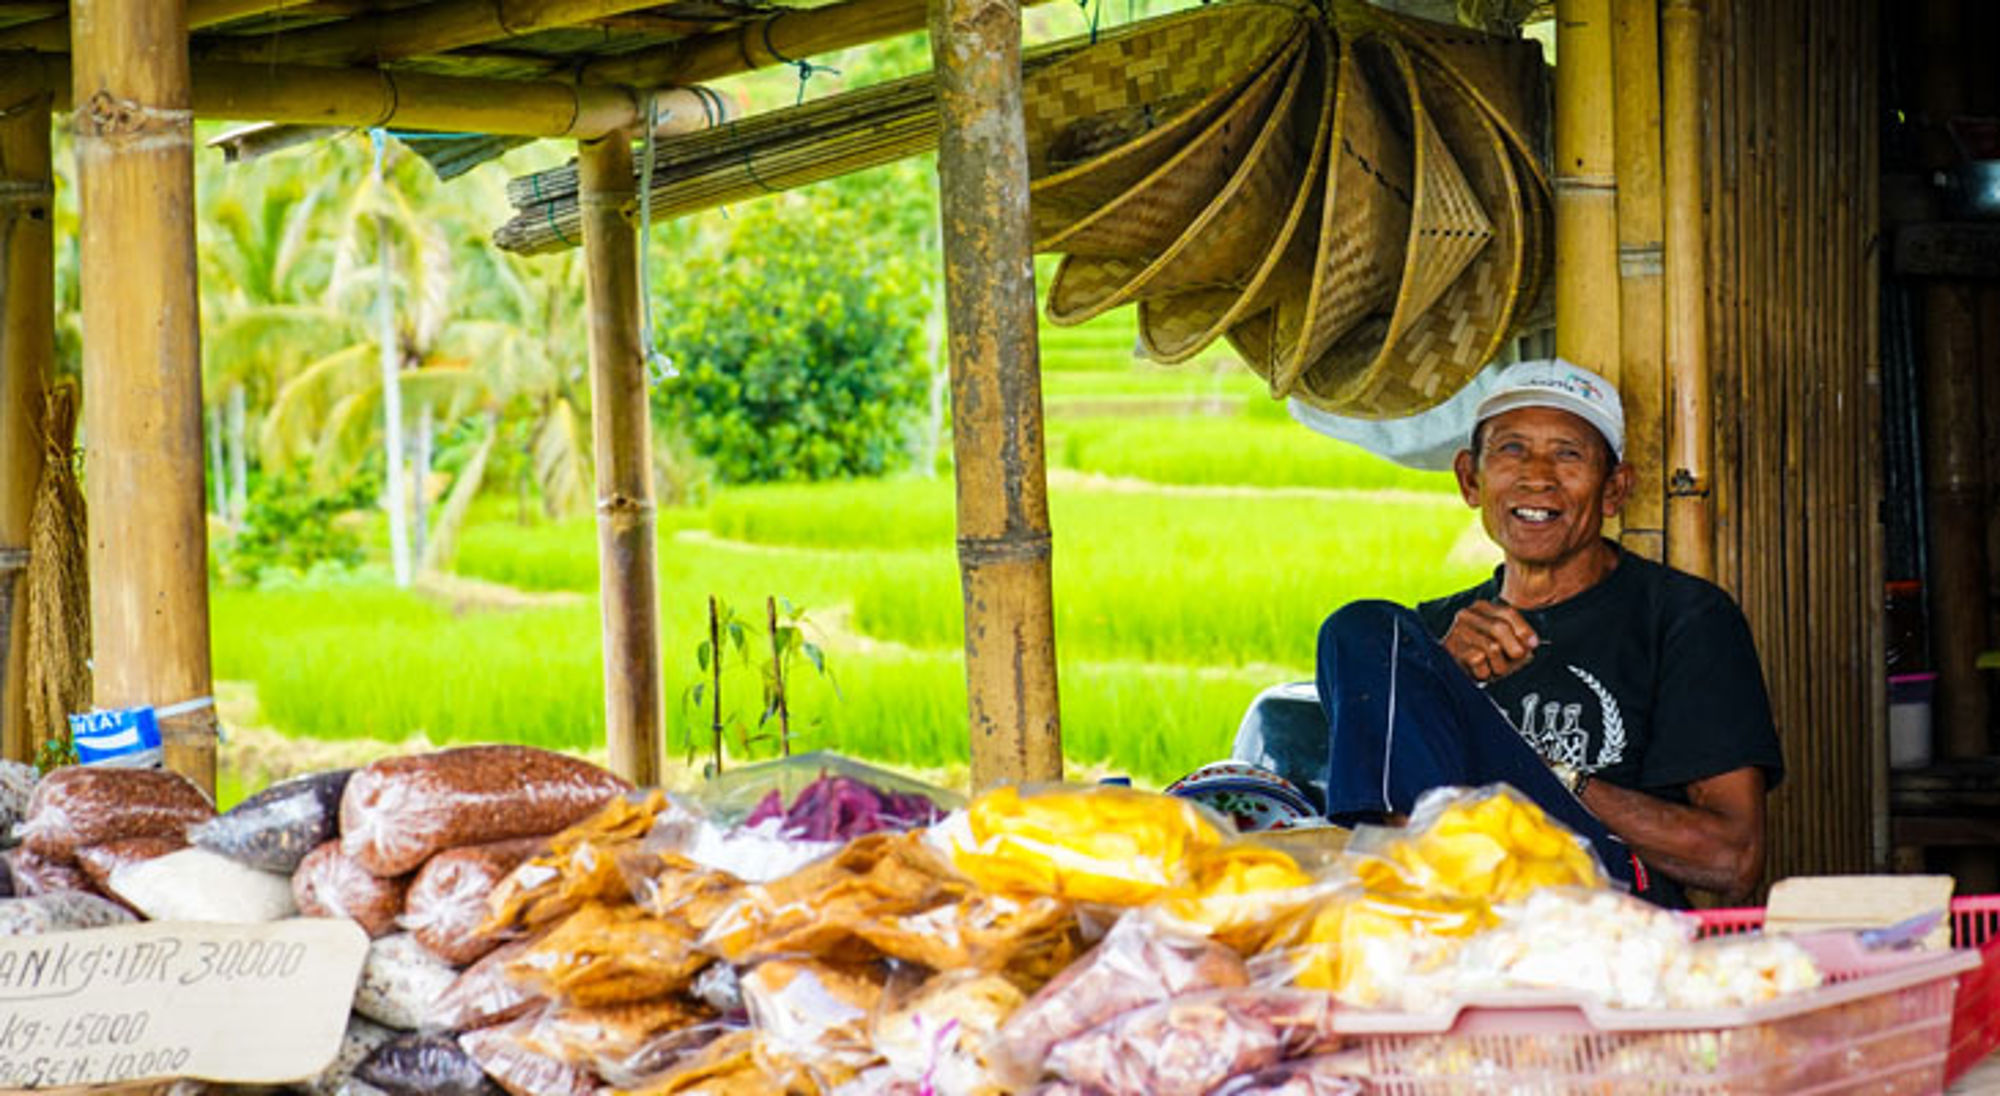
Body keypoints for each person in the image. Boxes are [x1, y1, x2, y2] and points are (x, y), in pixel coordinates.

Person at [1237, 359, 1783, 907]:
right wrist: (1437, 681)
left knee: (1371, 632)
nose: (1537, 475)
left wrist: (1555, 779)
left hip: (1599, 893)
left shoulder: (1681, 617)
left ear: (1615, 490)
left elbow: (1731, 859)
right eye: (1512, 449)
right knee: (1360, 629)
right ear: (1470, 479)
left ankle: (1432, 885)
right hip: (1465, 892)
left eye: (1568, 454)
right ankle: (1431, 885)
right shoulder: (1423, 643)